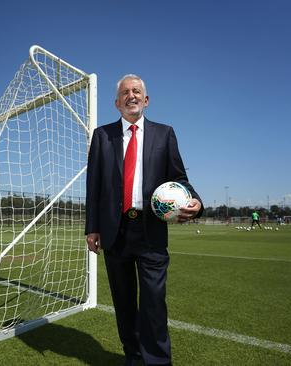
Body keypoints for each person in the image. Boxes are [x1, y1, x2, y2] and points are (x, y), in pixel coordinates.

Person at [85, 74, 203, 366]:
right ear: (117, 103)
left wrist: (196, 204)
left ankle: (158, 362)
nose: (131, 96)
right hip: (115, 231)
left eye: (137, 91)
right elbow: (94, 185)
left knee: (153, 304)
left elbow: (179, 178)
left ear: (146, 100)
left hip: (151, 231)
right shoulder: (102, 136)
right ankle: (133, 358)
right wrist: (92, 228)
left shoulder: (165, 134)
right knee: (124, 305)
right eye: (125, 92)